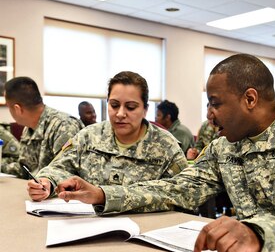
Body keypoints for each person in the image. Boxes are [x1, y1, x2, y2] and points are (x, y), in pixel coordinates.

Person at [46, 54, 275, 252]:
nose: (209, 116)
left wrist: (257, 232)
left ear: (250, 98)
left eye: (216, 102)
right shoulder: (223, 146)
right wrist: (104, 194)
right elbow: (178, 187)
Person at [27, 71, 188, 201]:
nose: (120, 114)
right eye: (114, 105)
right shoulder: (89, 136)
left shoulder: (166, 146)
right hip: (86, 227)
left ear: (145, 110)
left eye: (131, 107)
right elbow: (58, 167)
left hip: (144, 230)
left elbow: (183, 194)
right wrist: (46, 183)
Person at [3, 76, 83, 178]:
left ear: (17, 109)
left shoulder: (64, 126)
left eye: (9, 107)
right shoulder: (29, 128)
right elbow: (25, 168)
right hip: (35, 190)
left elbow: (68, 173)